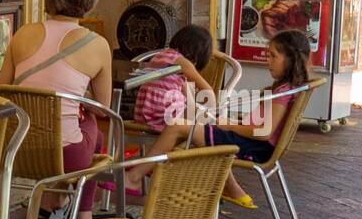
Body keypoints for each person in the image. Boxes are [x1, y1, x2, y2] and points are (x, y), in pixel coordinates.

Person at [127, 30, 309, 208]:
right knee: (189, 124)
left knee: (178, 126)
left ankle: (135, 176)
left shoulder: (283, 92)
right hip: (254, 143)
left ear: (290, 59)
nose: (268, 61)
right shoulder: (288, 88)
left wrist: (227, 124)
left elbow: (263, 132)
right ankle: (229, 188)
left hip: (254, 147)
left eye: (273, 56)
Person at [0, 0, 112, 219]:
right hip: (66, 157)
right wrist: (75, 96)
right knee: (92, 128)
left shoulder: (23, 33)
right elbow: (104, 107)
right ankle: (83, 217)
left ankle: (52, 202)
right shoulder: (98, 44)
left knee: (87, 132)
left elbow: (4, 92)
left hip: (19, 149)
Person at [133, 24, 217, 132]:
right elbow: (208, 92)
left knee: (195, 112)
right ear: (197, 55)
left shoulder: (161, 56)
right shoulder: (183, 63)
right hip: (165, 117)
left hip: (142, 115)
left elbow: (188, 100)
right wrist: (212, 113)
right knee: (210, 123)